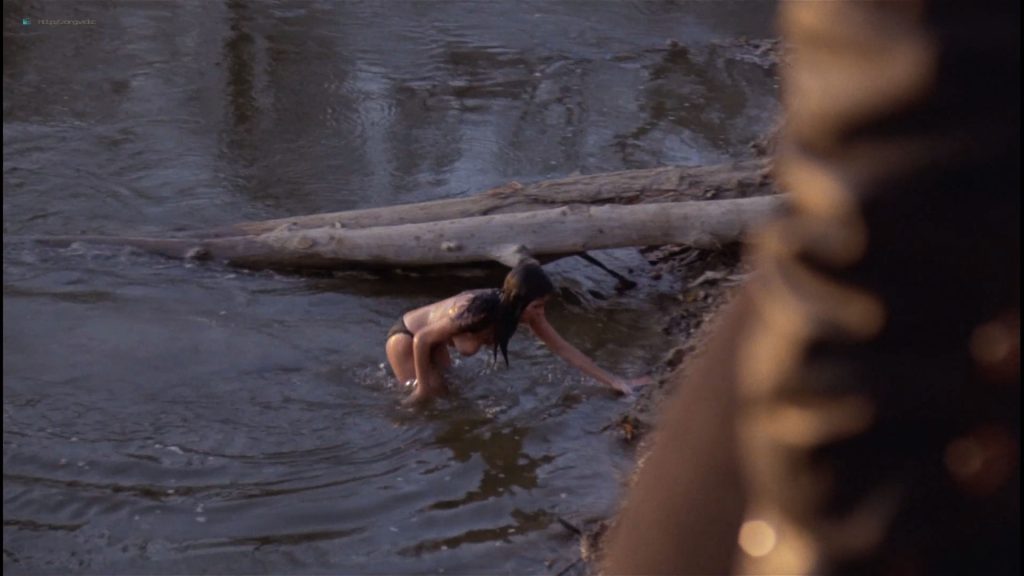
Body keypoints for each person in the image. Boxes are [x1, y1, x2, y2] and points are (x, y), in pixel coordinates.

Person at [385, 258, 650, 405]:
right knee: (427, 403)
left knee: (448, 398)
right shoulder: (477, 311)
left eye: (543, 305)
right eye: (536, 306)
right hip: (407, 337)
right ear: (518, 301)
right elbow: (422, 339)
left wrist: (616, 381)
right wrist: (421, 390)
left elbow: (565, 349)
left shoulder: (527, 314)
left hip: (432, 341)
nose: (541, 313)